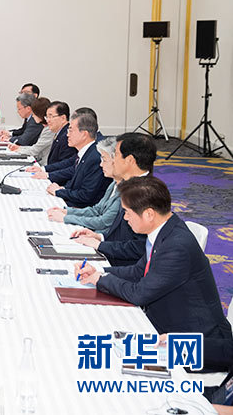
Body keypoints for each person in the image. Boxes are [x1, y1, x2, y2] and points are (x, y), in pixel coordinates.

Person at [75, 176, 233, 372]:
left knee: (105, 361)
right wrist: (99, 271)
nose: (125, 218)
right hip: (167, 324)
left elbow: (139, 294)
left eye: (127, 212)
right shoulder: (165, 231)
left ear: (149, 214)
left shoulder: (177, 246)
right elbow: (139, 271)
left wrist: (101, 280)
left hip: (195, 343)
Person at [69, 132, 157, 266]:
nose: (112, 160)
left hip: (125, 267)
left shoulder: (145, 194)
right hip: (115, 256)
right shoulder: (130, 186)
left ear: (130, 160)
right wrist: (99, 237)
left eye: (115, 155)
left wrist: (100, 245)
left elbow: (139, 248)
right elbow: (122, 234)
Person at [47, 137, 120, 234]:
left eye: (104, 160)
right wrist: (67, 211)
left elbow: (103, 222)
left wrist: (66, 218)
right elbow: (96, 210)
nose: (101, 165)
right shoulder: (114, 184)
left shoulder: (124, 189)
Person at [44, 111, 111, 208]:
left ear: (84, 134)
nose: (67, 135)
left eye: (71, 130)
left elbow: (86, 195)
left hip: (81, 209)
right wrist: (62, 189)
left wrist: (59, 192)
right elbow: (75, 184)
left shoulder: (95, 157)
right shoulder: (87, 152)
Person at [7, 97, 53, 164]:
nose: (33, 116)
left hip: (44, 164)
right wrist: (19, 148)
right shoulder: (45, 128)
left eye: (33, 114)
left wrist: (18, 149)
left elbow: (35, 150)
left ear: (39, 114)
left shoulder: (49, 130)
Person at [44, 100, 75, 165]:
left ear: (63, 118)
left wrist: (44, 169)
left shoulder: (67, 136)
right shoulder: (60, 133)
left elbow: (64, 164)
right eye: (47, 117)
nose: (48, 120)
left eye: (51, 116)